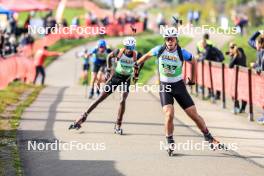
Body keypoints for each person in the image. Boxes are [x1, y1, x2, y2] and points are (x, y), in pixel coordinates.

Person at [135, 27, 220, 155]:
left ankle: (209, 137)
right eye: (167, 39)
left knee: (193, 115)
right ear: (165, 40)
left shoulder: (182, 52)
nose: (170, 41)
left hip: (179, 85)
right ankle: (170, 141)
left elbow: (193, 61)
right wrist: (136, 65)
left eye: (172, 39)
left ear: (176, 40)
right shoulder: (159, 49)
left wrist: (193, 79)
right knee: (169, 114)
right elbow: (146, 56)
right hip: (165, 86)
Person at [69, 37, 143, 134]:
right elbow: (109, 56)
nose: (130, 49)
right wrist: (108, 70)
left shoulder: (137, 55)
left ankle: (118, 125)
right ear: (125, 46)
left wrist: (136, 74)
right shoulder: (118, 52)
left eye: (132, 47)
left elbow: (142, 62)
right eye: (128, 47)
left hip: (127, 78)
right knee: (99, 98)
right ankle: (82, 117)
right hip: (116, 77)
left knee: (122, 99)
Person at [248, 30, 264, 124]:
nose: (255, 46)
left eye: (257, 44)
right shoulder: (259, 49)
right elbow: (250, 40)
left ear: (261, 44)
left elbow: (261, 68)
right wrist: (258, 32)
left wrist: (254, 66)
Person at [226, 43, 247, 114]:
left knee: (242, 92)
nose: (230, 49)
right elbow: (230, 65)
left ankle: (242, 108)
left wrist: (235, 55)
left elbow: (230, 65)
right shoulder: (234, 55)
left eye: (231, 48)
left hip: (242, 77)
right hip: (235, 77)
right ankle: (237, 107)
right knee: (233, 92)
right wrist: (233, 55)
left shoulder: (240, 54)